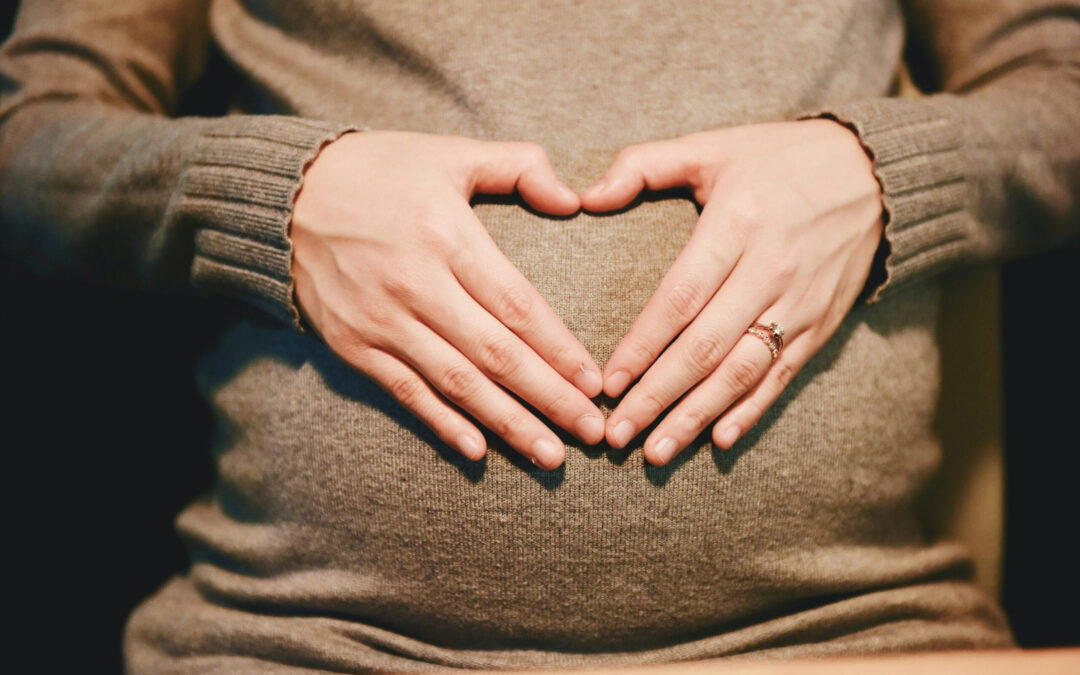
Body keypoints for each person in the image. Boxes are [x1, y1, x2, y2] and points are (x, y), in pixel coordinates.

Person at [1, 0, 1076, 672]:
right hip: (308, 645)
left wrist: (883, 174)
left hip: (840, 643)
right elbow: (29, 140)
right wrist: (274, 197)